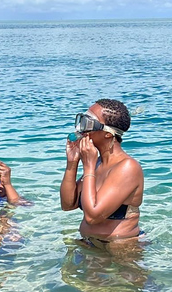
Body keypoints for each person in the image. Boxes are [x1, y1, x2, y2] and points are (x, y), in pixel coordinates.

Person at [60, 99, 144, 247]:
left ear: (107, 134)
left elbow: (93, 217)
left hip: (120, 251)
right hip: (90, 246)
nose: (80, 129)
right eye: (82, 120)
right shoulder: (97, 162)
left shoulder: (127, 167)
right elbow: (67, 205)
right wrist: (72, 163)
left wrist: (88, 166)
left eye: (88, 123)